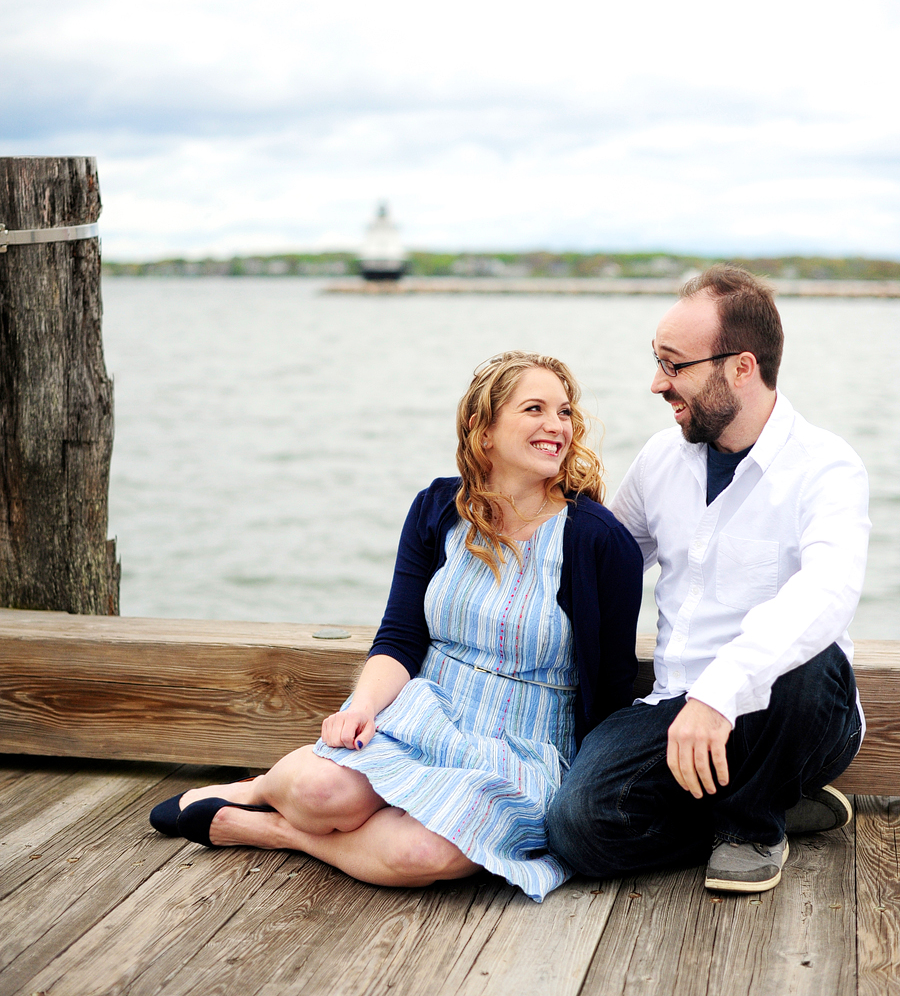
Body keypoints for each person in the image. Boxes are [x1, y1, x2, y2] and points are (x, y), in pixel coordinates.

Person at [150, 351, 643, 902]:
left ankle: (275, 831)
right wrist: (360, 708)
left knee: (420, 854)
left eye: (565, 412)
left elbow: (612, 686)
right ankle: (259, 789)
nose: (557, 426)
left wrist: (587, 796)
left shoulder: (599, 540)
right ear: (484, 429)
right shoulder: (438, 508)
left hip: (523, 746)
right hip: (426, 711)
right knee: (318, 792)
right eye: (535, 409)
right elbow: (401, 638)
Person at [547, 266, 870, 895]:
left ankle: (754, 826)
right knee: (576, 827)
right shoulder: (660, 458)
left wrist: (721, 693)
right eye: (657, 362)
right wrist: (507, 506)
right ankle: (766, 804)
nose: (656, 384)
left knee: (814, 658)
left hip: (791, 711)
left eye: (674, 366)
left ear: (741, 368)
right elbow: (603, 568)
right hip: (676, 704)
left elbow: (826, 593)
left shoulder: (827, 466)